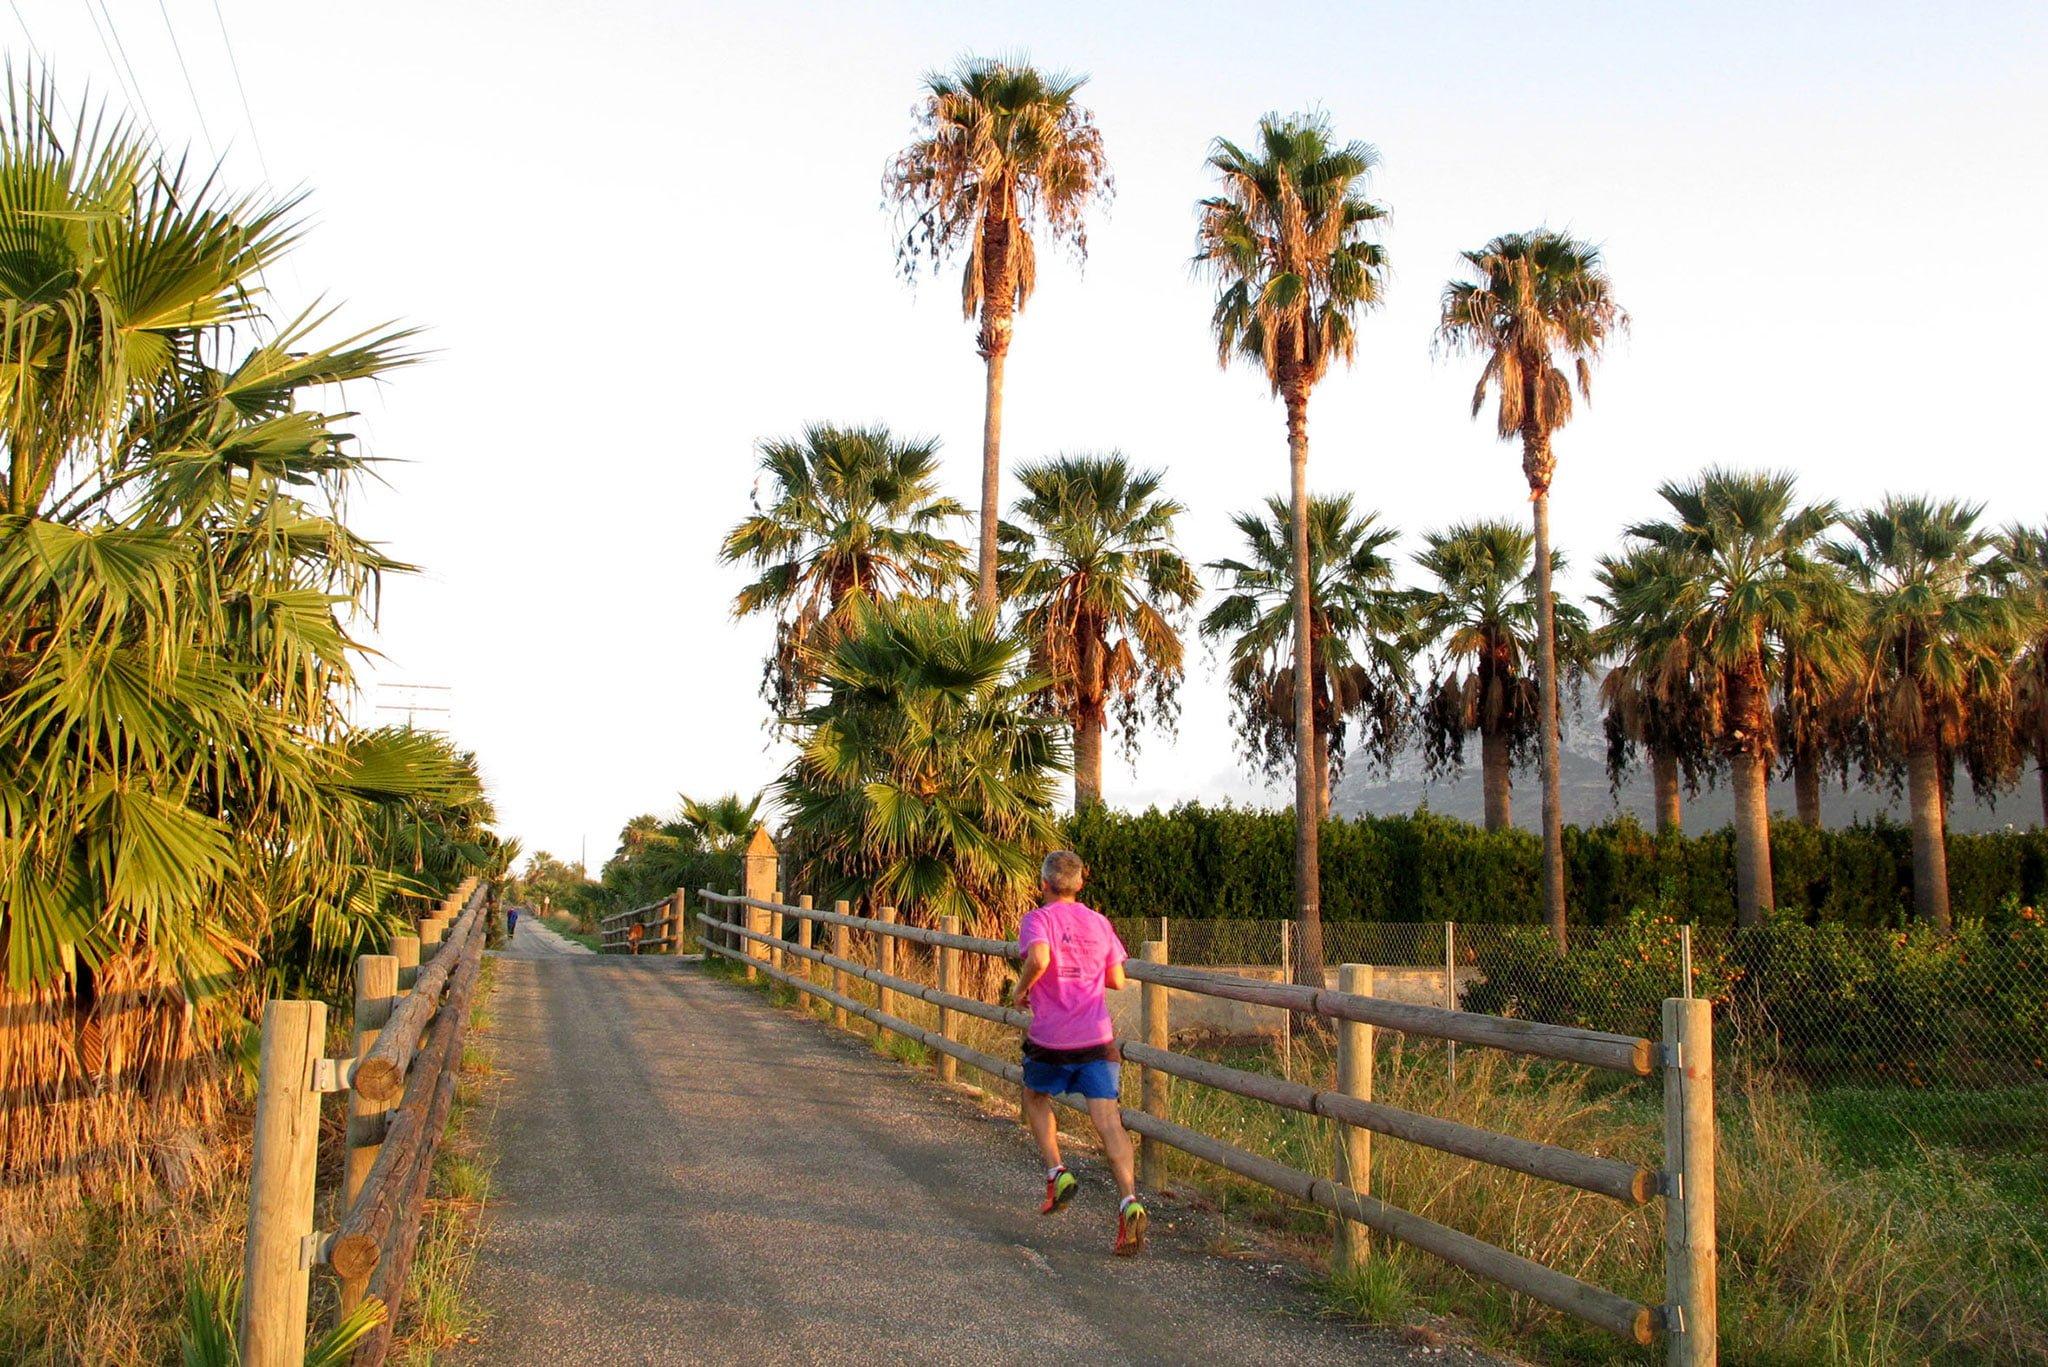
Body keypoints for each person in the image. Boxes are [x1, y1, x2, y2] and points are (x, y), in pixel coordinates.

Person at [1015, 849, 1147, 1255]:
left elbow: (1039, 957)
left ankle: (1057, 1172)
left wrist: (1022, 989)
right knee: (1108, 1120)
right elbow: (1119, 980)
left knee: (1035, 1097)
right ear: (1080, 884)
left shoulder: (1038, 919)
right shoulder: (1099, 922)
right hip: (1096, 1036)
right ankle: (1129, 1200)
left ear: (1043, 884)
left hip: (1052, 1037)